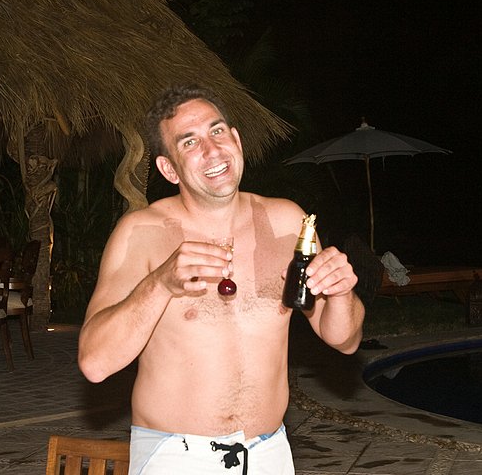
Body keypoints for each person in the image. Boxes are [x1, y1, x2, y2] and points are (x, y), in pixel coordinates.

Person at [78, 84, 365, 474]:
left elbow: (345, 340)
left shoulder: (287, 222)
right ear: (168, 169)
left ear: (237, 140)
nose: (212, 150)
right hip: (177, 457)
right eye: (190, 142)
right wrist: (160, 283)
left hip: (268, 454)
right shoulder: (141, 233)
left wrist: (342, 293)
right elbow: (95, 363)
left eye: (216, 131)